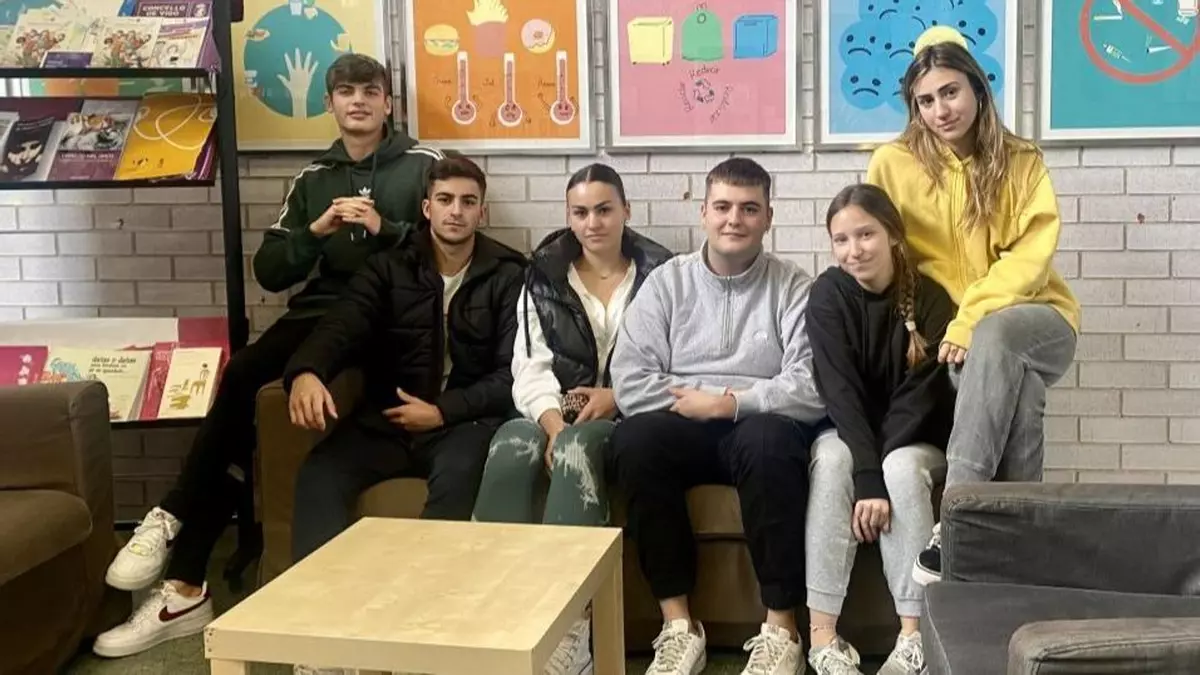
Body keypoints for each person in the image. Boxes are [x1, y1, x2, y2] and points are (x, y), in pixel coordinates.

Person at [94, 53, 443, 659]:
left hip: (390, 314)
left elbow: (448, 248)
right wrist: (315, 234)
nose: (358, 101)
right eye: (345, 92)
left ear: (388, 102)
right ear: (330, 104)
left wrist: (385, 229)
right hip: (323, 310)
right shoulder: (313, 178)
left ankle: (181, 555)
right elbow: (270, 271)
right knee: (243, 379)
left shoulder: (423, 164)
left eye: (370, 91)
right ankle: (176, 541)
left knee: (268, 403)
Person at [866, 25, 1081, 586]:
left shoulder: (1020, 159)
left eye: (951, 92)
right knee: (1022, 394)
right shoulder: (892, 164)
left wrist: (971, 318)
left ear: (978, 89)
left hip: (1038, 317)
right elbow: (887, 249)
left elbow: (1030, 258)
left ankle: (957, 519)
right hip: (953, 333)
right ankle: (1019, 549)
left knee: (996, 336)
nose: (941, 110)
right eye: (926, 100)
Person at [609, 157, 828, 675]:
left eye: (749, 208)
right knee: (634, 441)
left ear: (768, 217)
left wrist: (729, 403)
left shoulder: (794, 287)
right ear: (703, 212)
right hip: (680, 423)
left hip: (756, 425)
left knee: (771, 442)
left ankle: (782, 629)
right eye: (723, 206)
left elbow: (811, 386)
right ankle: (678, 626)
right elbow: (630, 380)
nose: (735, 219)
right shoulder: (666, 283)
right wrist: (702, 402)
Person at [470, 163, 673, 675]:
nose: (593, 223)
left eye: (604, 210)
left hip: (629, 412)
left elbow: (675, 362)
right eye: (580, 212)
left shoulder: (663, 274)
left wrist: (618, 396)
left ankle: (569, 633)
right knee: (511, 446)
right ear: (568, 216)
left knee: (580, 451)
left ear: (626, 211)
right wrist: (552, 426)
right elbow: (529, 365)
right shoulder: (541, 275)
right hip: (553, 410)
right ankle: (491, 617)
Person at [285, 155, 524, 562]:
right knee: (319, 474)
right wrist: (307, 371)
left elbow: (511, 372)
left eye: (468, 202)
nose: (456, 211)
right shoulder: (389, 268)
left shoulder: (509, 274)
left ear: (481, 213)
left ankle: (425, 590)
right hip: (387, 420)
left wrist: (442, 412)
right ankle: (318, 593)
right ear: (427, 208)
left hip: (463, 423)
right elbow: (341, 326)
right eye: (445, 199)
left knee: (460, 478)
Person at [802, 184, 957, 675]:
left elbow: (917, 403)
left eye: (865, 234)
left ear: (892, 233)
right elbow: (840, 392)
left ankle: (914, 639)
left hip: (918, 438)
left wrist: (877, 476)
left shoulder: (931, 299)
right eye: (841, 239)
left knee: (901, 467)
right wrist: (865, 476)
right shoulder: (827, 295)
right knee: (833, 459)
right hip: (851, 431)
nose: (854, 250)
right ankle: (823, 638)